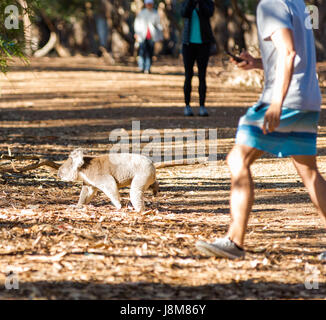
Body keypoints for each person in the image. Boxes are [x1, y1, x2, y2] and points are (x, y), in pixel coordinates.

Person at [196, 0, 326, 259]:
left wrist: (277, 102)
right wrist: (256, 62)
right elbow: (292, 55)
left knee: (237, 158)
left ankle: (234, 241)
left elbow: (289, 54)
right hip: (307, 98)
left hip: (285, 99)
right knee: (309, 172)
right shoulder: (296, 4)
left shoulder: (271, 4)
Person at [181, 0, 215, 117]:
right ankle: (187, 105)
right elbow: (184, 13)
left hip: (203, 44)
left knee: (202, 76)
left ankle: (202, 106)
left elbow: (209, 13)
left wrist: (200, 2)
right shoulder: (186, 2)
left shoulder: (207, 2)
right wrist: (191, 2)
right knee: (188, 75)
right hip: (188, 44)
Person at [134, 0, 163, 74]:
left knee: (150, 52)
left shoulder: (155, 13)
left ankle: (148, 67)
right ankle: (141, 67)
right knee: (142, 52)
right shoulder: (142, 13)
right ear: (145, 4)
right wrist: (137, 33)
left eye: (150, 4)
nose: (149, 5)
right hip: (142, 35)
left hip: (151, 36)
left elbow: (158, 25)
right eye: (148, 4)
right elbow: (137, 24)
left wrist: (160, 36)